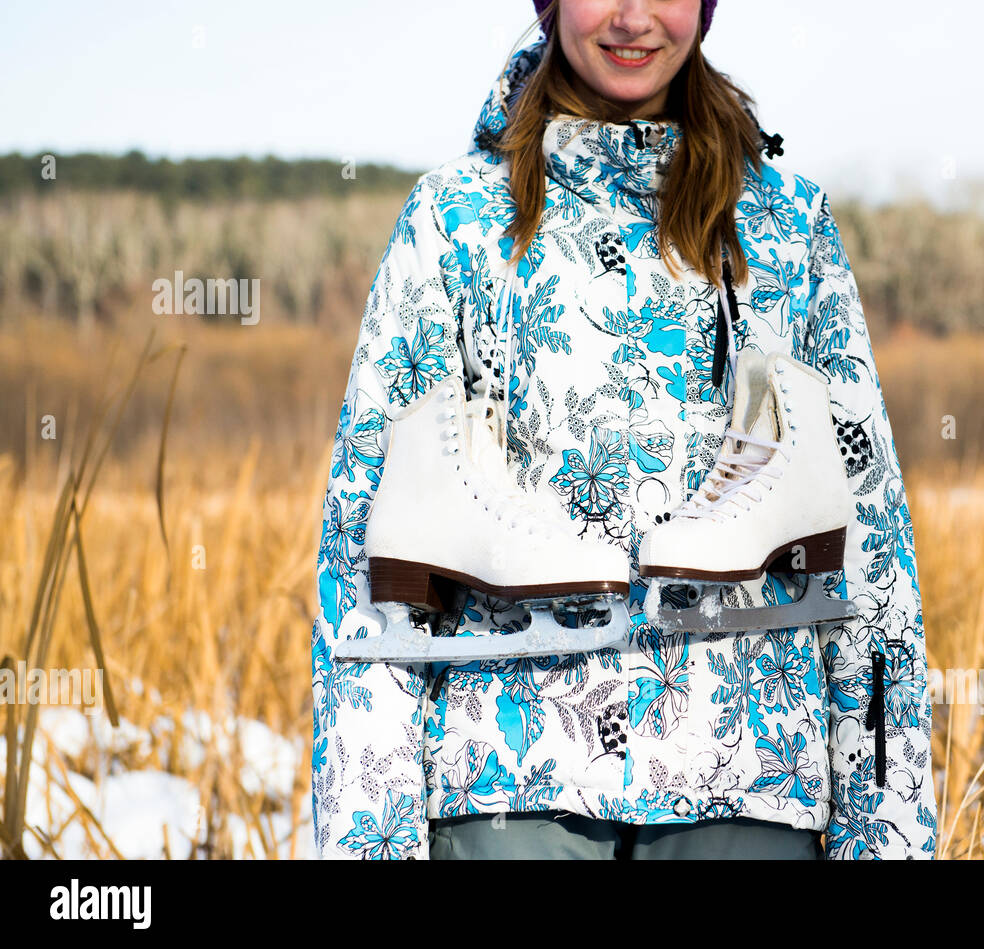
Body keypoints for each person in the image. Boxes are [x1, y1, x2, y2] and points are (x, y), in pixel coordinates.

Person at [311, 0, 937, 860]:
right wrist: (369, 838)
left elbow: (868, 544)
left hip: (755, 789)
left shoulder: (790, 228)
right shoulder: (453, 222)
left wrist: (887, 829)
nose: (635, 16)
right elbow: (370, 558)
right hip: (505, 792)